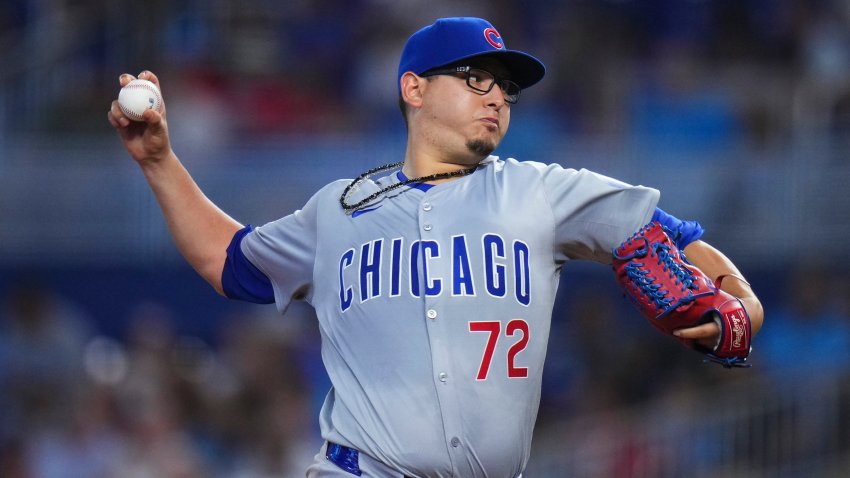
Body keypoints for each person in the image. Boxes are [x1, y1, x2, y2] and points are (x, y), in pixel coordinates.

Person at [108, 16, 764, 478]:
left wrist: (744, 304)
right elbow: (225, 259)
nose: (498, 98)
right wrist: (161, 161)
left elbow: (672, 240)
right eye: (476, 78)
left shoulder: (543, 191)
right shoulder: (337, 209)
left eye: (505, 87)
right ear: (414, 88)